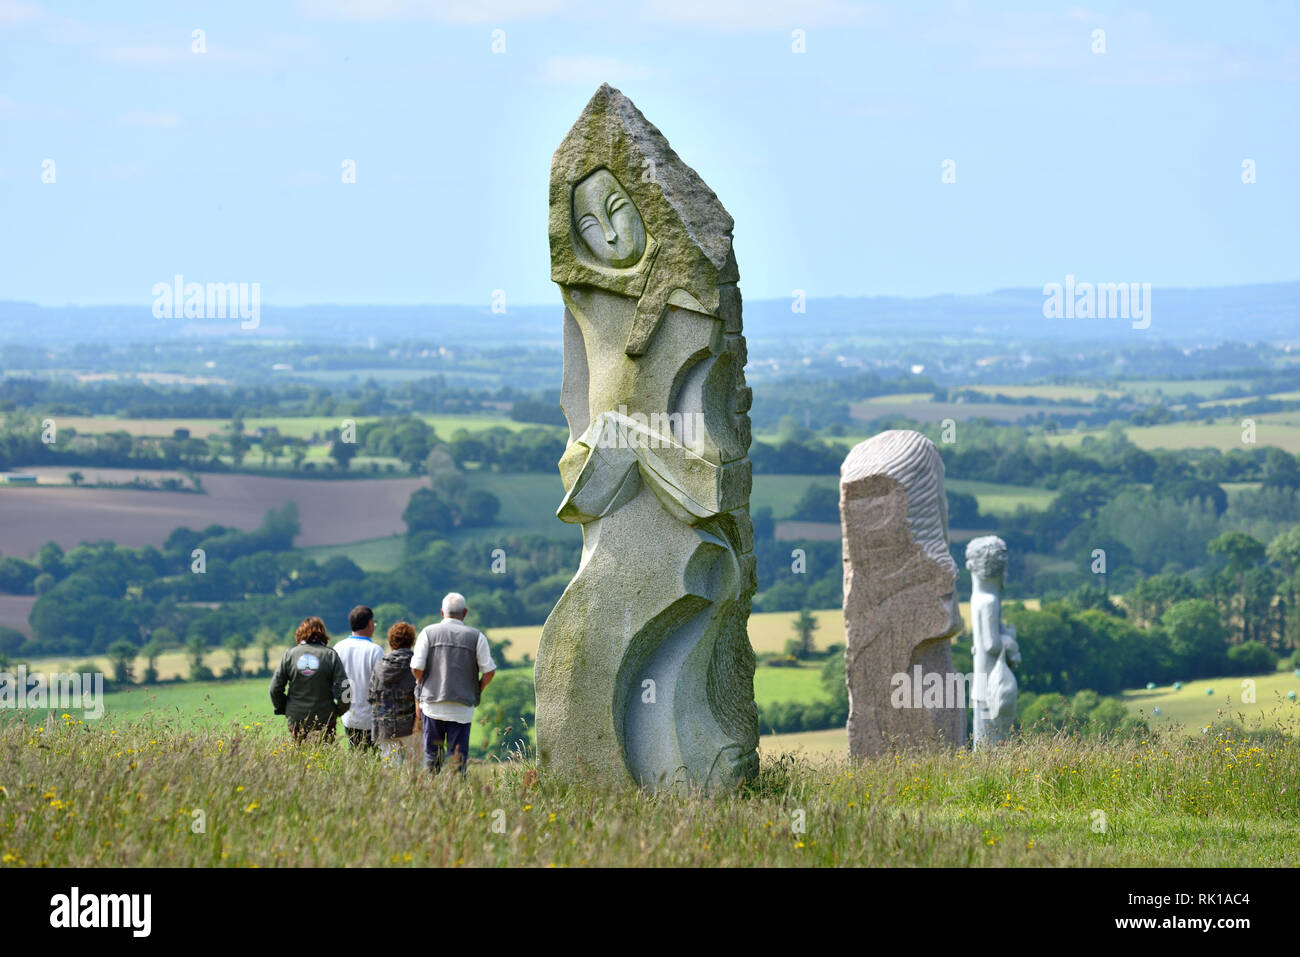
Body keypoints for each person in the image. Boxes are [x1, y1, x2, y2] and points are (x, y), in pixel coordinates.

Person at [411, 592, 496, 775]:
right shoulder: (476, 637)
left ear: (442, 612)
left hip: (432, 704)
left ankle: (431, 794)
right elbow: (489, 671)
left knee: (432, 761)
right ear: (465, 613)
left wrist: (423, 684)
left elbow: (416, 667)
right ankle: (456, 794)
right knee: (457, 763)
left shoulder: (428, 633)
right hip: (462, 708)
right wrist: (477, 690)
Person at [269, 616, 348, 743]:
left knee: (299, 758)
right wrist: (338, 711)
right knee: (324, 758)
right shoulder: (330, 655)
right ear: (323, 634)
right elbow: (344, 687)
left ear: (300, 633)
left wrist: (286, 709)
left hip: (296, 718)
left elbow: (274, 689)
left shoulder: (290, 655)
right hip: (325, 717)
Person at [367, 621, 420, 764]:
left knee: (391, 773)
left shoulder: (379, 666)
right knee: (415, 773)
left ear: (391, 642)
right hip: (411, 728)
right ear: (412, 641)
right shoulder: (417, 665)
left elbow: (371, 696)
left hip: (384, 728)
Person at [334, 605, 385, 752]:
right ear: (369, 624)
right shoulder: (375, 650)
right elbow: (381, 684)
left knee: (356, 756)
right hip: (371, 717)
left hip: (348, 715)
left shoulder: (339, 647)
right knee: (375, 759)